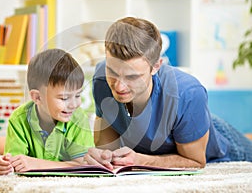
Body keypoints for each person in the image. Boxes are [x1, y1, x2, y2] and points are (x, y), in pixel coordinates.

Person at [83, 17, 252, 169]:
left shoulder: (188, 93)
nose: (119, 87)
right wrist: (102, 157)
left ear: (156, 66)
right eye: (112, 72)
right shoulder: (101, 80)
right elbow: (107, 149)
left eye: (132, 76)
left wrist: (141, 161)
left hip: (221, 143)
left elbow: (196, 161)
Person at [0, 49, 94, 175]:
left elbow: (84, 166)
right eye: (64, 98)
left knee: (1, 142)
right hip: (11, 135)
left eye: (78, 95)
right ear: (37, 97)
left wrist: (39, 164)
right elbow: (15, 164)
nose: (74, 104)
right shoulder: (18, 118)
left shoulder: (78, 118)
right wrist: (5, 165)